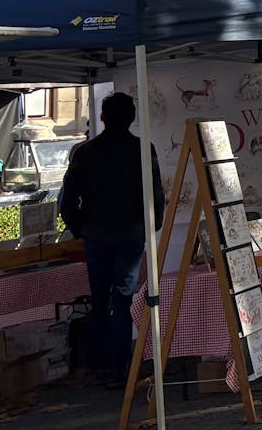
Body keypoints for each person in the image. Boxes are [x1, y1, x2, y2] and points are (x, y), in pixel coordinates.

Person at [59, 92, 164, 386]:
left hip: (97, 235)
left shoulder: (84, 153)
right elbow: (156, 195)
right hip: (130, 235)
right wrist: (149, 227)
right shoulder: (143, 150)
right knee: (122, 299)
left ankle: (102, 364)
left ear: (103, 118)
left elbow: (67, 201)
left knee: (100, 299)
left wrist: (80, 229)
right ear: (132, 118)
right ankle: (119, 367)